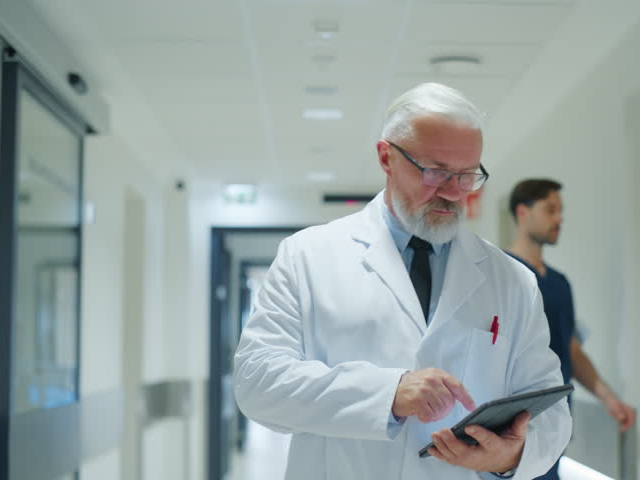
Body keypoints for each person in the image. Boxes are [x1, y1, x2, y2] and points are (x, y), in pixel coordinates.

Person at [233, 83, 571, 480]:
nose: (452, 193)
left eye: (467, 176)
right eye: (435, 172)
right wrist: (388, 394)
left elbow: (551, 416)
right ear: (386, 157)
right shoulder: (307, 256)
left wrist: (508, 458)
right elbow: (257, 384)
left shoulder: (512, 280)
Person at [506, 179, 636, 480]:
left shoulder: (560, 283)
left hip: (555, 424)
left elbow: (571, 349)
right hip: (512, 431)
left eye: (561, 211)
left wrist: (608, 398)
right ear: (523, 213)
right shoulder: (503, 275)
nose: (559, 218)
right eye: (550, 210)